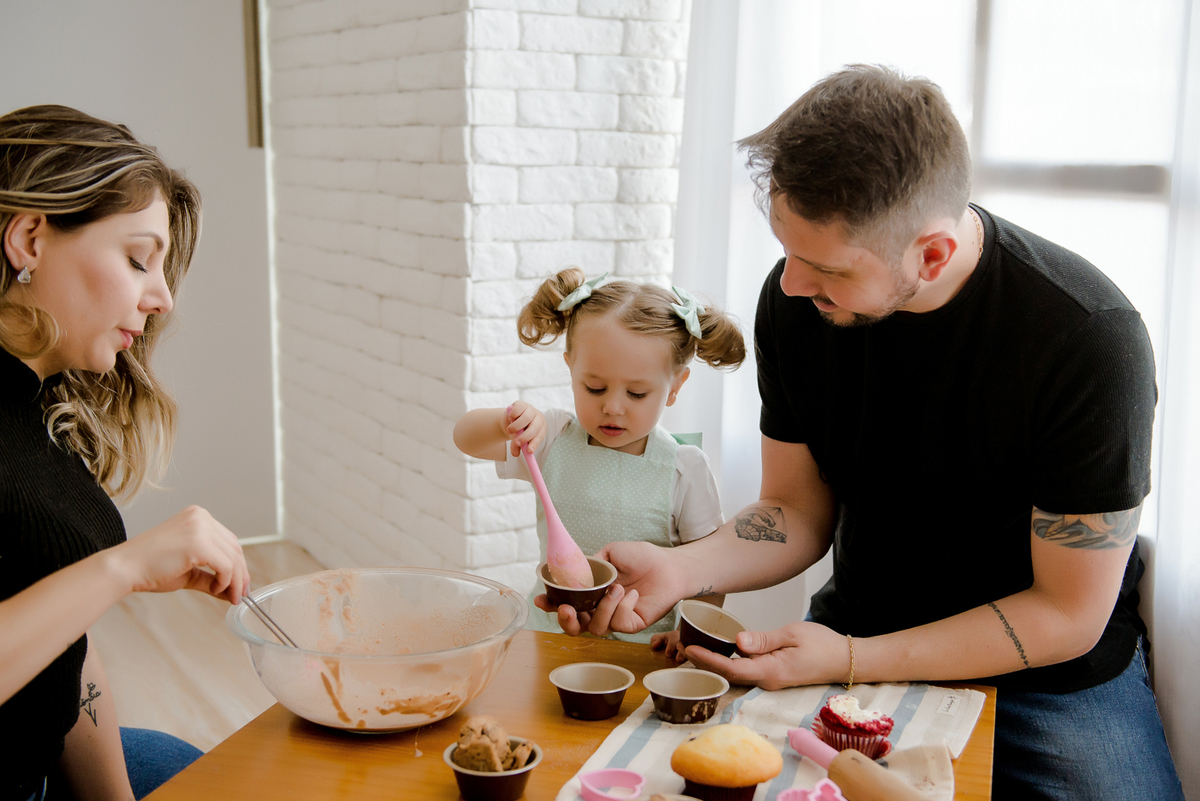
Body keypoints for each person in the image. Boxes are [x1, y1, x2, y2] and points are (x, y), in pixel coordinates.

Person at [548, 66, 1184, 799]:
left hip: (1045, 675)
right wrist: (682, 567)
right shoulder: (799, 301)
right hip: (854, 634)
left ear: (933, 254)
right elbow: (794, 509)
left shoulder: (1089, 340)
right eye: (786, 250)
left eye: (825, 267)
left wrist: (851, 657)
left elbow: (1066, 614)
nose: (789, 284)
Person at [0, 105, 252, 801]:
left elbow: (62, 653)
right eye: (138, 258)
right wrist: (124, 567)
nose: (163, 297)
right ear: (28, 237)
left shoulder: (39, 404)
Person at [453, 267, 745, 643]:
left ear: (675, 386)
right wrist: (503, 422)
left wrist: (691, 634)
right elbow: (465, 438)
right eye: (594, 388)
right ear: (570, 367)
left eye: (636, 394)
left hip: (645, 648)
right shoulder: (551, 438)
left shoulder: (683, 469)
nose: (613, 407)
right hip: (548, 637)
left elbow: (709, 569)